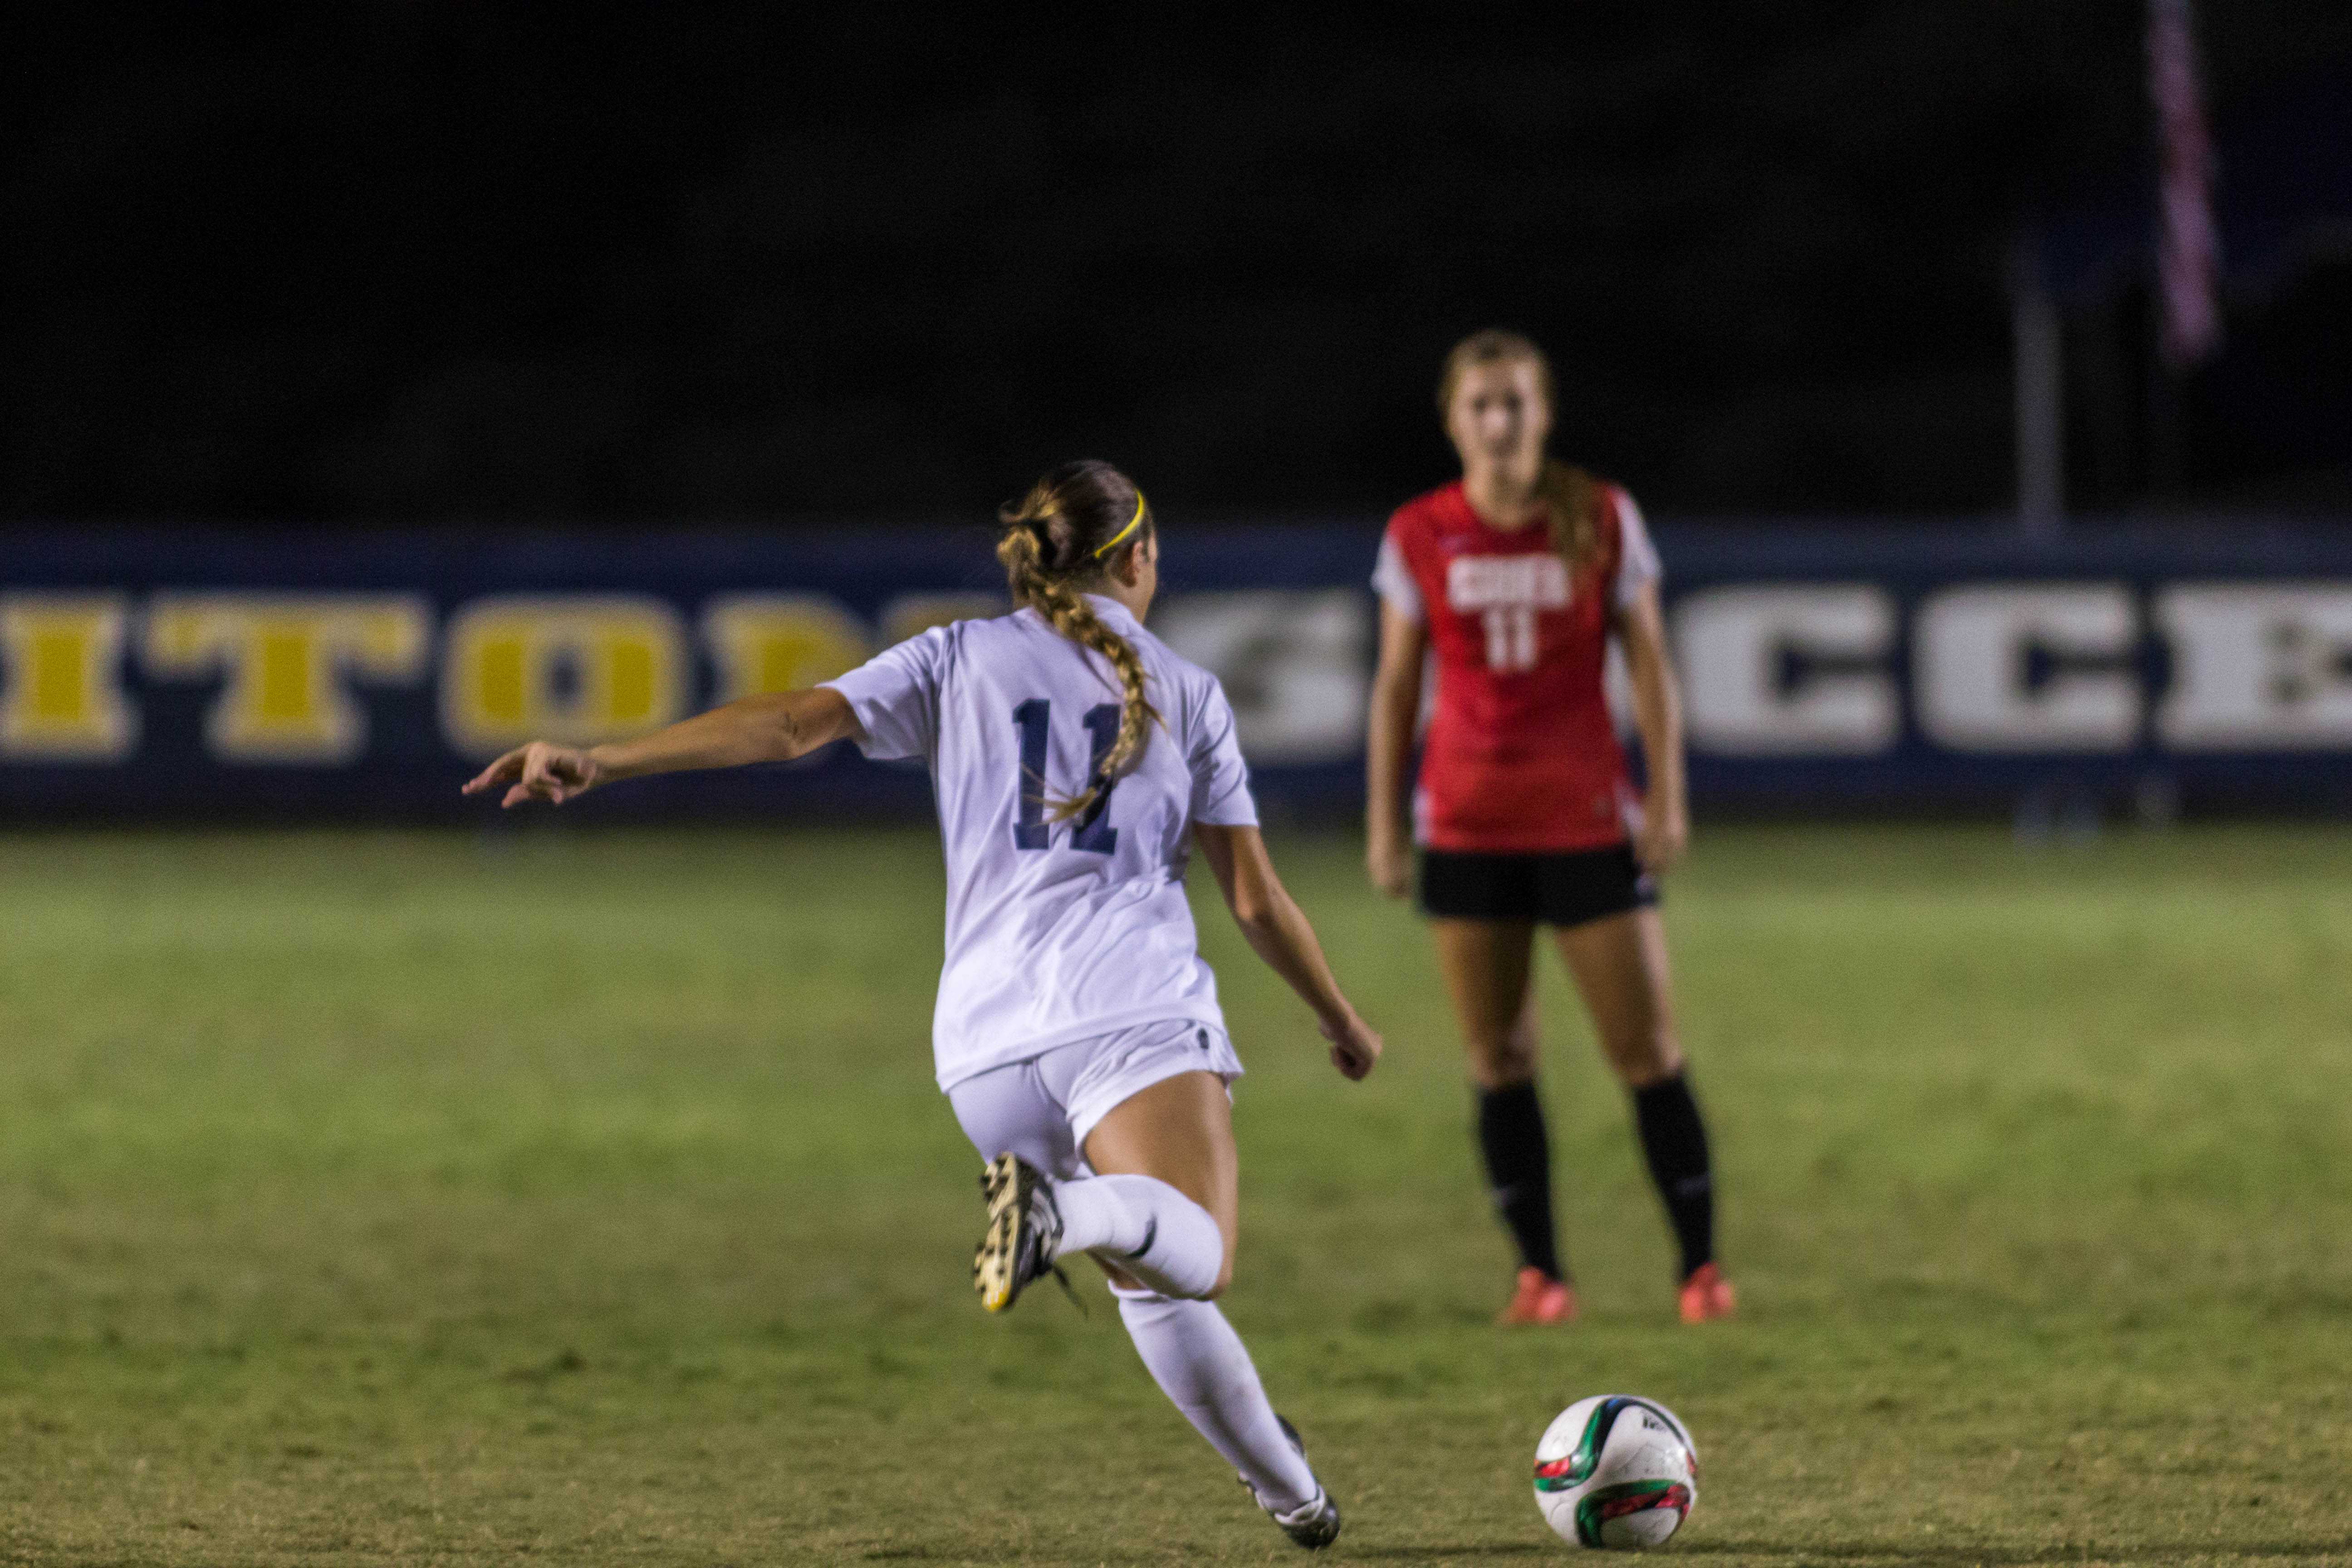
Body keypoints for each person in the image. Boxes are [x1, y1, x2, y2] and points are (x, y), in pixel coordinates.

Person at [466, 460, 1383, 1550]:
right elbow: (1258, 901)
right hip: (1125, 1015)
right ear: (1138, 559)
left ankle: (1298, 1500)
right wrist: (1340, 1017)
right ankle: (1063, 1213)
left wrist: (604, 762)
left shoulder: (959, 654)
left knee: (1154, 1289)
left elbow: (791, 725)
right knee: (1198, 1254)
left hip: (983, 1055)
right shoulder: (1186, 691)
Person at [1363, 329, 1734, 1327]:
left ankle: (1700, 1271)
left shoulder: (1598, 515)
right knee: (1500, 1059)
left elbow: (1650, 662)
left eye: (1515, 402)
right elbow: (1399, 684)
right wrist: (1386, 822)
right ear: (1452, 420)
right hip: (1470, 821)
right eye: (1480, 404)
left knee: (1647, 1050)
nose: (1499, 422)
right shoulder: (1419, 532)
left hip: (1583, 817)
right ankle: (1541, 1276)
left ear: (1545, 413)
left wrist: (1667, 797)